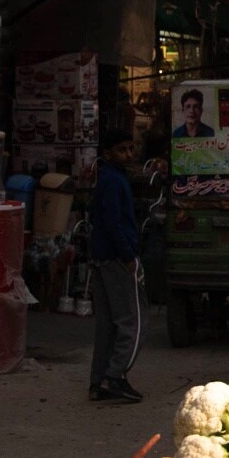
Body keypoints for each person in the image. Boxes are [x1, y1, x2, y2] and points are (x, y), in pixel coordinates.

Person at [89, 126, 144, 403]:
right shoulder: (112, 180)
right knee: (130, 323)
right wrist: (127, 256)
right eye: (122, 150)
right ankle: (115, 376)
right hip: (115, 257)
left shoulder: (111, 178)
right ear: (108, 153)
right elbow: (113, 223)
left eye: (130, 148)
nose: (128, 154)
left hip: (101, 255)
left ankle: (98, 382)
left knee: (107, 325)